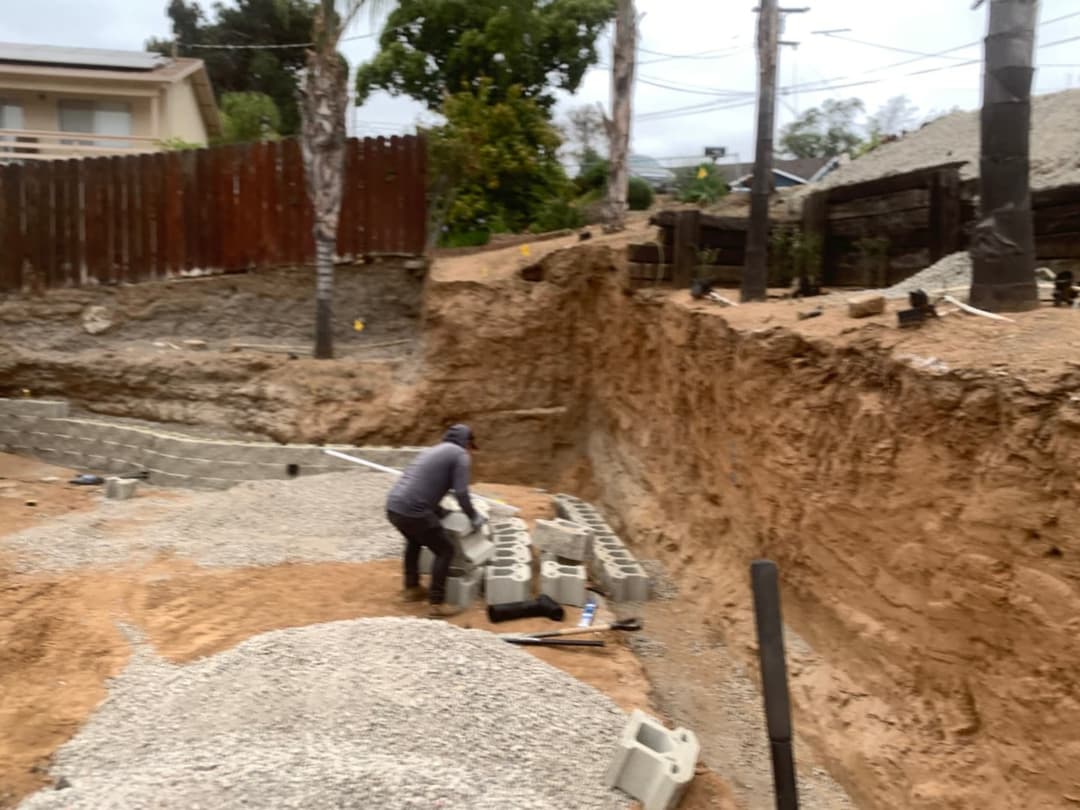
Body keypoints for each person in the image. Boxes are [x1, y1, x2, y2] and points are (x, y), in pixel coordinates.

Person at [385, 424, 486, 618]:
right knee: (445, 550)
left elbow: (424, 485)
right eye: (470, 447)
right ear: (466, 443)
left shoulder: (433, 451)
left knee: (414, 540)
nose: (470, 453)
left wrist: (440, 511)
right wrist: (473, 516)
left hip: (394, 507)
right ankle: (436, 604)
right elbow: (461, 492)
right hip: (414, 511)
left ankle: (411, 588)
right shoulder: (459, 455)